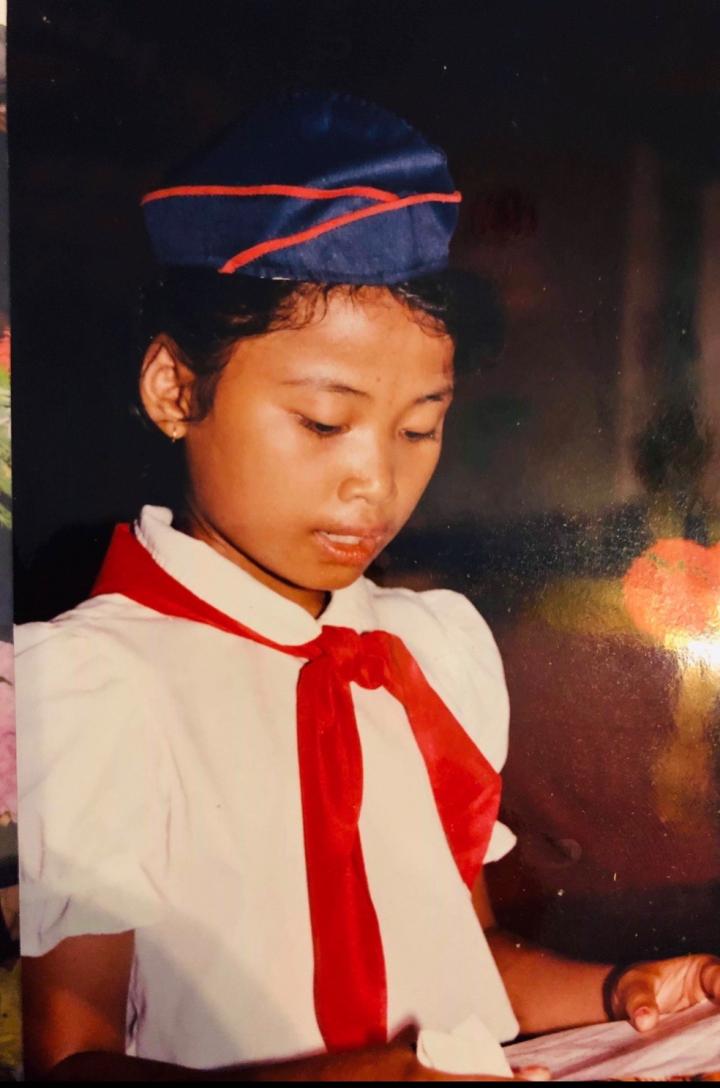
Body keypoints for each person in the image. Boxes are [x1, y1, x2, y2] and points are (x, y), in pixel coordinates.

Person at [14, 92, 720, 1082]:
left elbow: (466, 965)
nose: (376, 482)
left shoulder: (427, 648)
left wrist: (622, 994)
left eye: (419, 426)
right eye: (322, 422)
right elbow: (71, 1059)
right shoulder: (98, 680)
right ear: (175, 388)